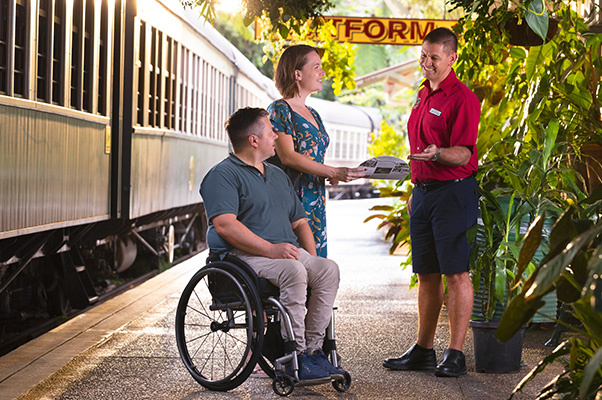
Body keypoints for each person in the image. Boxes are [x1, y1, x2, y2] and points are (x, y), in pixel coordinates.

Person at [200, 107, 343, 382]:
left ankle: (314, 352)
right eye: (270, 132)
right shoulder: (222, 175)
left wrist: (313, 262)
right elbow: (225, 225)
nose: (276, 136)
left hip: (285, 253)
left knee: (328, 270)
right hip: (243, 256)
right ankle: (295, 354)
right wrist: (271, 250)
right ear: (254, 141)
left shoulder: (277, 175)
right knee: (294, 271)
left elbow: (300, 222)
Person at [382, 27, 481, 377]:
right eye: (423, 55)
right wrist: (414, 189)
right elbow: (419, 153)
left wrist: (438, 153)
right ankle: (423, 350)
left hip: (453, 194)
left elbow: (465, 152)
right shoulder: (423, 96)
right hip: (423, 195)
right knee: (426, 274)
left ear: (452, 58)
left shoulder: (462, 98)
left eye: (434, 57)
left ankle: (455, 354)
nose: (426, 63)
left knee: (456, 273)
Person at [267, 45, 365, 258]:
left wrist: (328, 173)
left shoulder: (313, 113)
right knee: (298, 263)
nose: (322, 73)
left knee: (317, 263)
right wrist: (332, 171)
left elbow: (314, 156)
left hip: (316, 196)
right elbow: (287, 156)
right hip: (294, 198)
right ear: (297, 74)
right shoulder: (279, 109)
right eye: (317, 67)